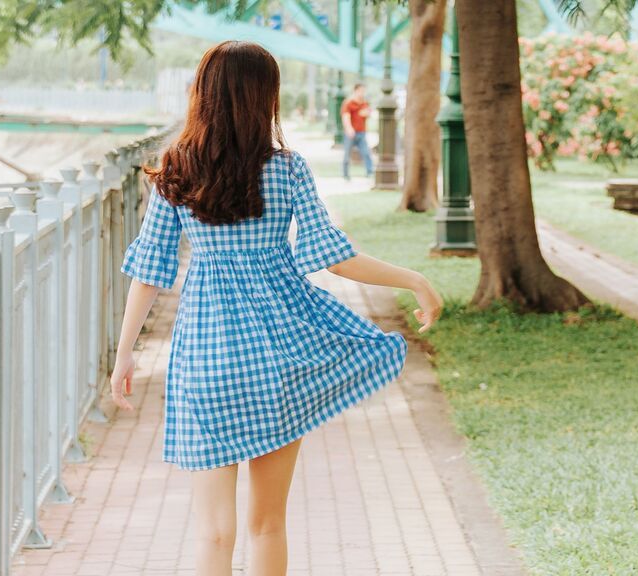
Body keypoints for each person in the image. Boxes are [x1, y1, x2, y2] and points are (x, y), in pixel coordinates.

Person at [110, 41, 443, 576]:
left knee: (214, 534)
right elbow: (333, 259)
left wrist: (124, 355)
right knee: (268, 524)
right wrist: (413, 279)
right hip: (279, 360)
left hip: (206, 361)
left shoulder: (175, 168)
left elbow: (151, 271)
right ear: (265, 97)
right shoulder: (287, 169)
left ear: (204, 94)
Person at [340, 83, 374, 180]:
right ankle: (345, 174)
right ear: (356, 90)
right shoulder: (348, 103)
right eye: (361, 91)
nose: (362, 93)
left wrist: (365, 113)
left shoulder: (364, 103)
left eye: (364, 91)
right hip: (350, 133)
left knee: (366, 152)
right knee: (347, 154)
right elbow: (345, 117)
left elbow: (369, 112)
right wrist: (349, 129)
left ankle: (370, 172)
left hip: (361, 132)